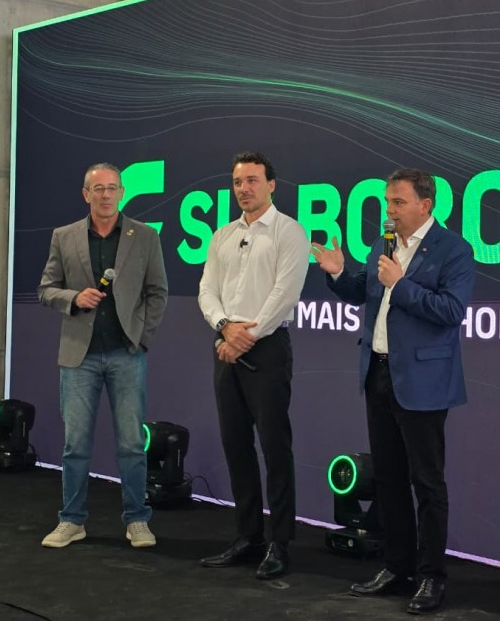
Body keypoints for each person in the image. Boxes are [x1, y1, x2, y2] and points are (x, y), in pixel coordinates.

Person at [311, 167, 474, 614]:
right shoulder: (383, 244)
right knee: (389, 479)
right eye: (387, 202)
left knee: (427, 483)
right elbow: (366, 292)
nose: (390, 211)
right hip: (378, 374)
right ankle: (397, 566)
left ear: (426, 204)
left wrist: (400, 284)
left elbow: (450, 311)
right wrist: (338, 273)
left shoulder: (454, 249)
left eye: (398, 202)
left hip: (423, 381)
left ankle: (431, 576)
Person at [37, 162, 168, 550]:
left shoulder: (145, 236)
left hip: (126, 354)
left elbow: (157, 292)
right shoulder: (64, 237)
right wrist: (74, 298)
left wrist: (141, 339)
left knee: (131, 444)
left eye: (112, 188)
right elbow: (46, 289)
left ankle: (137, 519)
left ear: (122, 193)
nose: (106, 195)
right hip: (79, 357)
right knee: (75, 445)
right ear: (86, 194)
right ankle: (71, 520)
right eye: (98, 189)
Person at [197, 152, 309, 580]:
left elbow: (285, 294)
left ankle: (280, 542)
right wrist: (225, 328)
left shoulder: (289, 231)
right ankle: (248, 537)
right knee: (236, 445)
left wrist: (246, 336)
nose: (244, 189)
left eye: (252, 180)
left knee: (275, 448)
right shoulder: (223, 235)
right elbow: (207, 289)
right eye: (238, 182)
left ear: (271, 185)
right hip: (226, 345)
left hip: (267, 349)